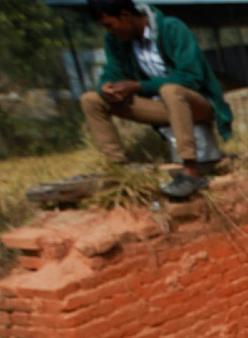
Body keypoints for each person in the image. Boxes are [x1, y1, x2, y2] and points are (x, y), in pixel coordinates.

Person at [82, 0, 233, 198]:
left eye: (110, 24)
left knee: (171, 90)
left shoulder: (172, 29)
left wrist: (138, 86)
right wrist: (107, 86)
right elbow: (112, 71)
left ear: (125, 16)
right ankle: (117, 170)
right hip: (161, 107)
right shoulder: (115, 41)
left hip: (197, 104)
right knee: (91, 99)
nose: (109, 31)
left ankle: (190, 170)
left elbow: (191, 77)